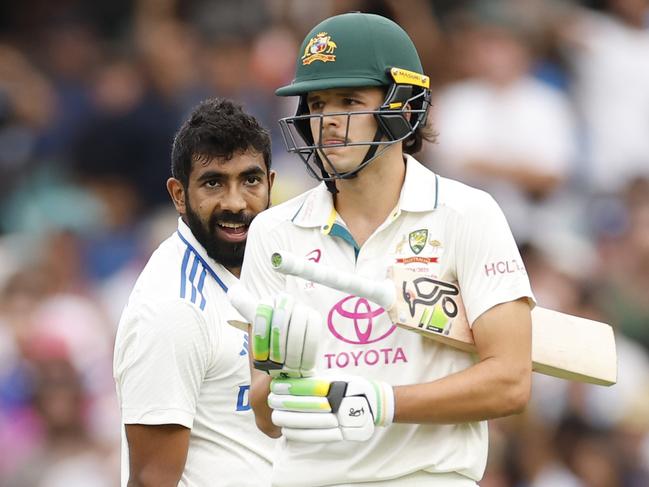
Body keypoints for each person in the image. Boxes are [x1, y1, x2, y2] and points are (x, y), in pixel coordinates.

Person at [238, 12, 534, 487]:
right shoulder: (274, 233)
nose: (328, 121)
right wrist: (280, 381)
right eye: (316, 103)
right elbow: (266, 418)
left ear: (403, 106)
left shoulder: (466, 214)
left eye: (349, 99)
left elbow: (511, 381)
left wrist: (383, 403)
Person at [113, 98, 276, 486]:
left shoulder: (274, 271)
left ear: (270, 183)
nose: (236, 203)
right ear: (179, 195)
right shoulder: (173, 306)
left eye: (250, 180)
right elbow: (152, 480)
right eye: (214, 183)